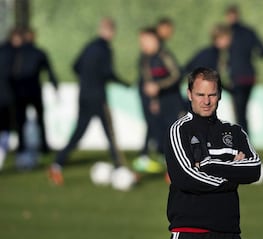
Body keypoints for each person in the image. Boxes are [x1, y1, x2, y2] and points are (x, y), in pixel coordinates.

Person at [165, 67, 261, 238]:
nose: (206, 101)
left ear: (220, 95)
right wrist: (231, 174)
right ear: (189, 94)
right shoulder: (179, 130)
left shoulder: (234, 132)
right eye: (200, 95)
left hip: (229, 231)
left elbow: (254, 169)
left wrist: (207, 164)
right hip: (190, 231)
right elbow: (186, 178)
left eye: (212, 95)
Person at [48, 17, 129, 185]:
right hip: (98, 97)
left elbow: (75, 66)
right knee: (109, 133)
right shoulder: (106, 49)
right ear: (111, 32)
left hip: (83, 94)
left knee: (78, 132)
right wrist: (124, 84)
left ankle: (57, 165)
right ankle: (120, 169)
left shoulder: (89, 46)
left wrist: (86, 78)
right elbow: (108, 73)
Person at [132, 28, 183, 174]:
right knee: (156, 129)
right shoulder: (145, 59)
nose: (143, 44)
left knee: (173, 131)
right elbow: (148, 80)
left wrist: (159, 86)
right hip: (158, 101)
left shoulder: (165, 55)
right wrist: (153, 99)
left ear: (155, 40)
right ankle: (160, 160)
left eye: (146, 41)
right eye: (141, 42)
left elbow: (176, 75)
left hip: (171, 99)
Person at [12, 28, 59, 153]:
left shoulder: (17, 53)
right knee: (40, 120)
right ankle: (43, 146)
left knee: (21, 121)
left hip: (20, 91)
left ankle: (21, 146)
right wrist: (55, 85)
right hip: (34, 90)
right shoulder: (39, 53)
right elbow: (50, 71)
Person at [225, 5, 263, 134]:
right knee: (243, 111)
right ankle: (244, 140)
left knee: (239, 112)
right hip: (249, 77)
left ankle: (242, 142)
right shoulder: (249, 32)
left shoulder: (227, 33)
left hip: (236, 78)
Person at [0, 29, 23, 169]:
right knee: (6, 127)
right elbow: (13, 76)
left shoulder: (3, 50)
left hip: (5, 96)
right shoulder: (12, 54)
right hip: (6, 98)